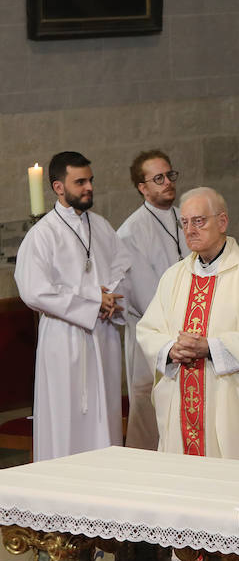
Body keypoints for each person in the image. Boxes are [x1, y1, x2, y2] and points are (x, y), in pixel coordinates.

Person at [136, 187, 239, 463]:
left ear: (222, 222)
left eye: (199, 221)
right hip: (181, 407)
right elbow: (148, 330)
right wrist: (171, 349)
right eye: (185, 222)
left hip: (232, 404)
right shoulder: (173, 277)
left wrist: (210, 347)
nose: (190, 230)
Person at [14, 151, 131, 461]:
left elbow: (123, 268)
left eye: (90, 180)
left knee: (104, 414)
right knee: (65, 421)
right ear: (58, 187)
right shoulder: (43, 235)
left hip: (103, 337)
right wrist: (93, 301)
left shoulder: (102, 227)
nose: (88, 187)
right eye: (80, 182)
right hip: (63, 339)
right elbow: (34, 290)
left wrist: (110, 299)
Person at [116, 150, 183, 451]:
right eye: (158, 178)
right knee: (150, 418)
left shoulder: (186, 218)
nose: (167, 182)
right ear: (142, 187)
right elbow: (148, 298)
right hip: (154, 339)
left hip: (188, 334)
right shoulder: (131, 233)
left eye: (170, 175)